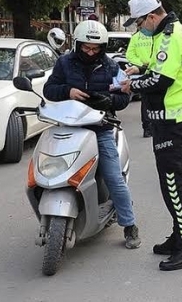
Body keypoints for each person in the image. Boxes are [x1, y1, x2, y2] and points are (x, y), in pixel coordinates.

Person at [43, 20, 141, 250]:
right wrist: (68, 91)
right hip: (68, 127)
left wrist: (110, 101)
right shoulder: (64, 63)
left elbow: (124, 96)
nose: (90, 52)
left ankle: (130, 225)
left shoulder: (110, 67)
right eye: (86, 47)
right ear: (77, 45)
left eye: (95, 49)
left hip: (100, 128)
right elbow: (49, 89)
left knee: (115, 179)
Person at [120, 0, 182, 270]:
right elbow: (160, 69)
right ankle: (179, 237)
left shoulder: (170, 37)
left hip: (172, 121)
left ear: (152, 16)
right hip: (170, 119)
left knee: (174, 188)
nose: (140, 27)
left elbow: (162, 80)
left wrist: (132, 85)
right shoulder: (171, 33)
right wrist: (140, 69)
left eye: (140, 22)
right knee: (170, 186)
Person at [125, 18, 154, 138]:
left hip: (156, 70)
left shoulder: (156, 36)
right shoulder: (135, 38)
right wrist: (142, 65)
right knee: (146, 101)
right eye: (138, 26)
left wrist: (150, 63)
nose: (140, 27)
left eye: (141, 24)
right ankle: (147, 128)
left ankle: (156, 125)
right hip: (143, 73)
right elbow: (130, 55)